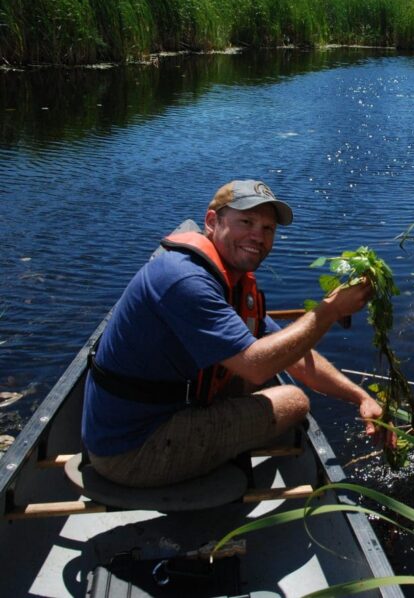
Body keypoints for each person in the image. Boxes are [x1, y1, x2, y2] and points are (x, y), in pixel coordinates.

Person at [82, 179, 383, 487]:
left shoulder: (230, 281)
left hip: (148, 418)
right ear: (212, 222)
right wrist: (330, 310)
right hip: (131, 449)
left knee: (265, 361)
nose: (258, 236)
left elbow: (294, 357)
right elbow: (257, 366)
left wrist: (359, 397)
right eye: (246, 221)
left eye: (268, 229)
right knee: (293, 400)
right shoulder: (185, 279)